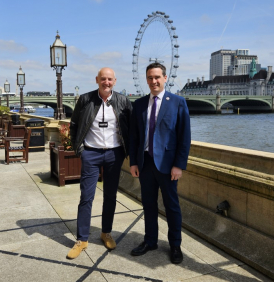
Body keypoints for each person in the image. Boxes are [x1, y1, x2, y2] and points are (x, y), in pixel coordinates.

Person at [67, 67, 132, 259]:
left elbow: (131, 127)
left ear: (115, 81)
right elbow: (74, 125)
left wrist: (127, 151)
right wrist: (80, 150)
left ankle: (106, 233)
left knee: (110, 196)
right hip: (91, 153)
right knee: (86, 196)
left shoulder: (122, 101)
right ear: (97, 80)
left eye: (110, 79)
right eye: (103, 79)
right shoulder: (85, 99)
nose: (107, 82)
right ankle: (82, 239)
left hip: (114, 154)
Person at [129, 62, 191, 264]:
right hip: (145, 162)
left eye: (157, 77)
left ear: (165, 78)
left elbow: (184, 137)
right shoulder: (138, 105)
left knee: (172, 206)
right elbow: (135, 137)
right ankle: (150, 240)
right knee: (148, 205)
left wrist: (179, 165)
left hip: (167, 164)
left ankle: (175, 245)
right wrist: (133, 162)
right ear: (146, 79)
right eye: (150, 77)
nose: (153, 81)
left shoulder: (177, 102)